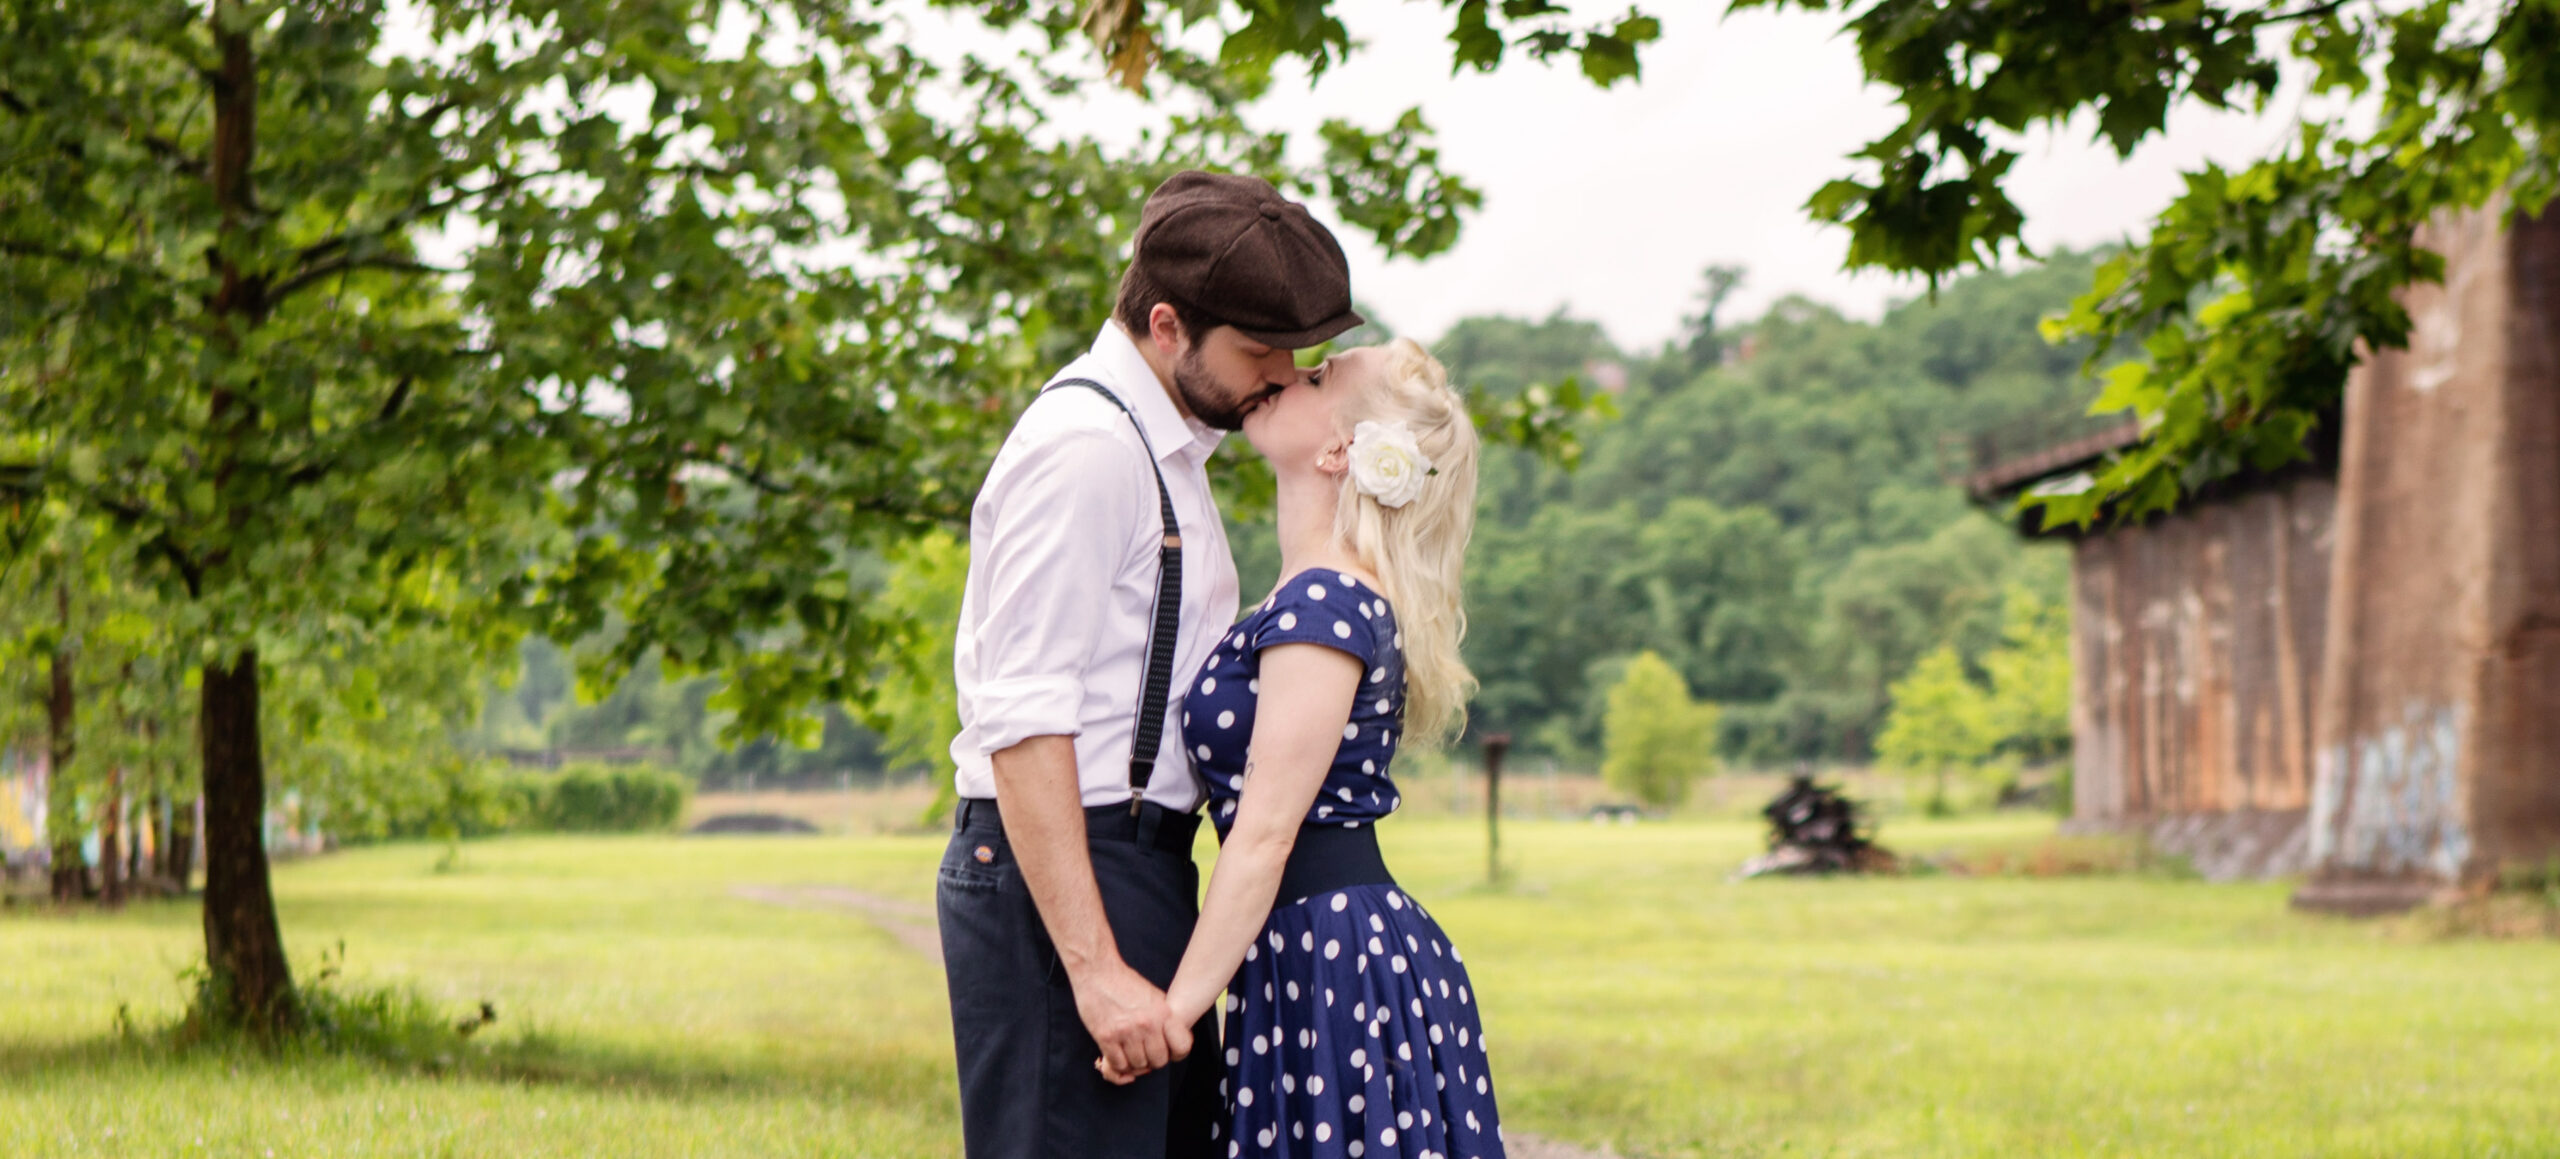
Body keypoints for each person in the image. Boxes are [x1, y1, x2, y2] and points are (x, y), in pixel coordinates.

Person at [935, 170, 1366, 1159]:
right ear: (1167, 325)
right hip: (1068, 867)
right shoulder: (1087, 450)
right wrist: (1091, 965)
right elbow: (1024, 718)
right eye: (1260, 350)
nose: (1280, 374)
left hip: (1136, 864)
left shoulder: (1165, 450)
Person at [1104, 338, 1507, 1157]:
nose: (1286, 372)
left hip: (1333, 957)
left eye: (1318, 376)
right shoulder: (1313, 591)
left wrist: (1174, 1014)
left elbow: (1263, 833)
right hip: (1314, 947)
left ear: (1340, 450)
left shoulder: (1325, 598)